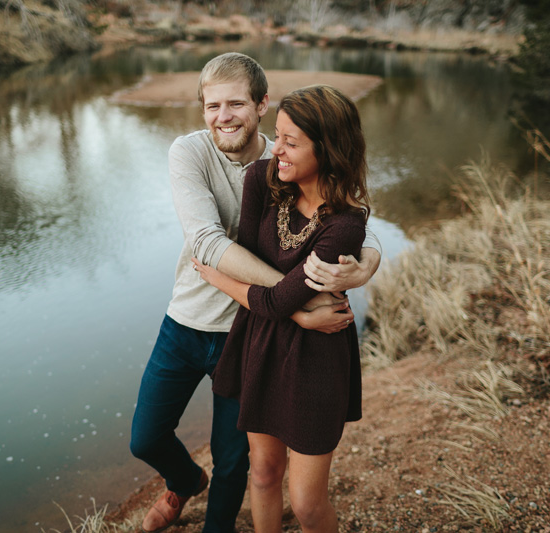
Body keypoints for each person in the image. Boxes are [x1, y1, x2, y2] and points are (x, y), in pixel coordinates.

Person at [129, 53, 381, 533]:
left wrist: (369, 260)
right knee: (145, 438)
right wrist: (300, 302)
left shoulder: (284, 160)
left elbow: (350, 219)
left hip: (248, 333)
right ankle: (183, 481)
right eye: (211, 105)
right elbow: (206, 243)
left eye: (235, 103)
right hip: (188, 319)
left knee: (237, 463)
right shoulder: (193, 152)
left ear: (262, 104)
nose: (223, 116)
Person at [193, 84, 370, 533]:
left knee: (308, 504)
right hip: (260, 343)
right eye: (279, 136)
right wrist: (289, 305)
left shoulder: (345, 225)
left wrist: (215, 276)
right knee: (264, 472)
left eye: (291, 142)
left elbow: (272, 297)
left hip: (316, 358)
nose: (279, 151)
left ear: (327, 150)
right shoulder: (262, 180)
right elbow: (253, 265)